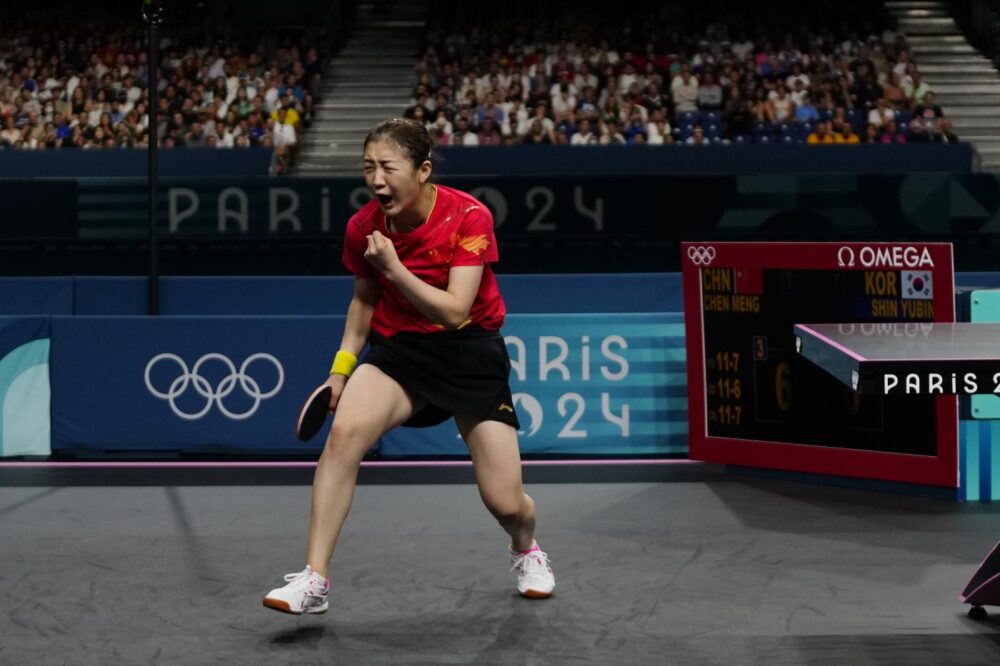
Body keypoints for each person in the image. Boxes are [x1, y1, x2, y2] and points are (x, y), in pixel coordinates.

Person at [262, 118, 555, 615]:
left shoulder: (469, 216)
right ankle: (314, 580)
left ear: (421, 171)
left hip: (469, 352)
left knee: (506, 502)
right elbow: (362, 305)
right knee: (345, 436)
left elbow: (455, 309)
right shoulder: (363, 228)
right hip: (401, 354)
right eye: (368, 167)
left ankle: (526, 547)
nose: (376, 179)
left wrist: (394, 267)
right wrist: (340, 371)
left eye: (387, 167)